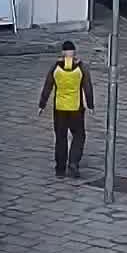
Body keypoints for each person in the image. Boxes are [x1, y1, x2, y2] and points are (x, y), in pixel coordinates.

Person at [38, 40, 94, 178]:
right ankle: (73, 162)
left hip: (59, 109)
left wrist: (42, 105)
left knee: (60, 138)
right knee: (79, 136)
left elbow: (48, 86)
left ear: (62, 53)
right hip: (76, 109)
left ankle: (60, 169)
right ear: (74, 52)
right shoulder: (81, 68)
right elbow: (88, 87)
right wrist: (91, 105)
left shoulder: (55, 67)